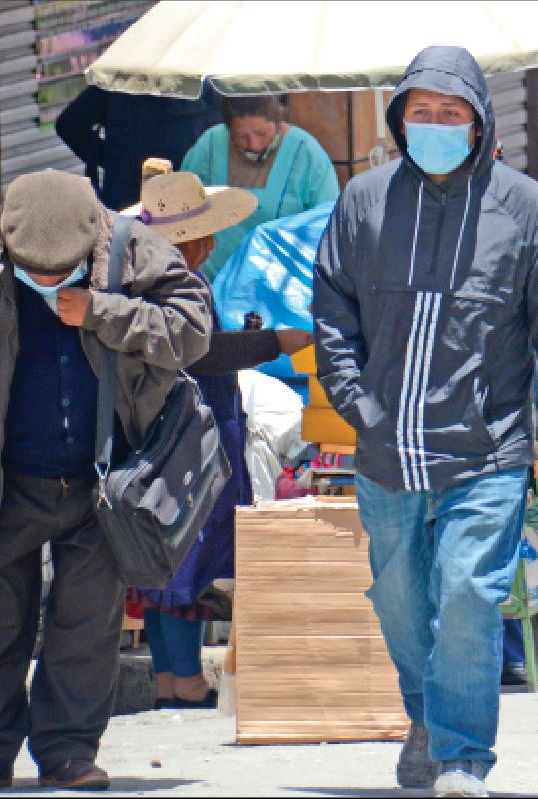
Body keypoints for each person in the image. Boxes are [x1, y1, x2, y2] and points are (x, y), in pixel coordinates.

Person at [313, 46, 538, 798]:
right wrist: (356, 402)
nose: (436, 125)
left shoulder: (526, 208)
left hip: (487, 449)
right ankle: (427, 718)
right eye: (422, 113)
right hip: (386, 451)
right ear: (399, 119)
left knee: (469, 593)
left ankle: (462, 757)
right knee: (403, 602)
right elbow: (332, 313)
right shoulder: (364, 202)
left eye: (452, 115)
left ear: (478, 126)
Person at [0, 170, 212, 790]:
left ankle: (69, 750)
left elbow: (192, 332)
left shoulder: (135, 250)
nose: (49, 283)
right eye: (37, 270)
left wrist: (102, 311)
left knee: (87, 624)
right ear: (6, 239)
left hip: (106, 481)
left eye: (63, 272)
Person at [122, 171, 313, 709]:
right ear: (191, 238)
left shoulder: (147, 280)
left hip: (173, 432)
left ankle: (168, 678)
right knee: (189, 553)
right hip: (193, 437)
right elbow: (202, 353)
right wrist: (273, 341)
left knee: (165, 553)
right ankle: (185, 679)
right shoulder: (176, 283)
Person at [182, 94, 340, 280]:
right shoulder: (210, 144)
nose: (253, 145)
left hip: (279, 284)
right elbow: (183, 206)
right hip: (213, 279)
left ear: (278, 120)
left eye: (262, 134)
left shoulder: (306, 153)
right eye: (241, 136)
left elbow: (326, 222)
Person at [55, 83, 224, 211]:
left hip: (126, 207)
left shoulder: (120, 84)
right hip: (188, 205)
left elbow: (69, 124)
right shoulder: (212, 92)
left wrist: (113, 160)